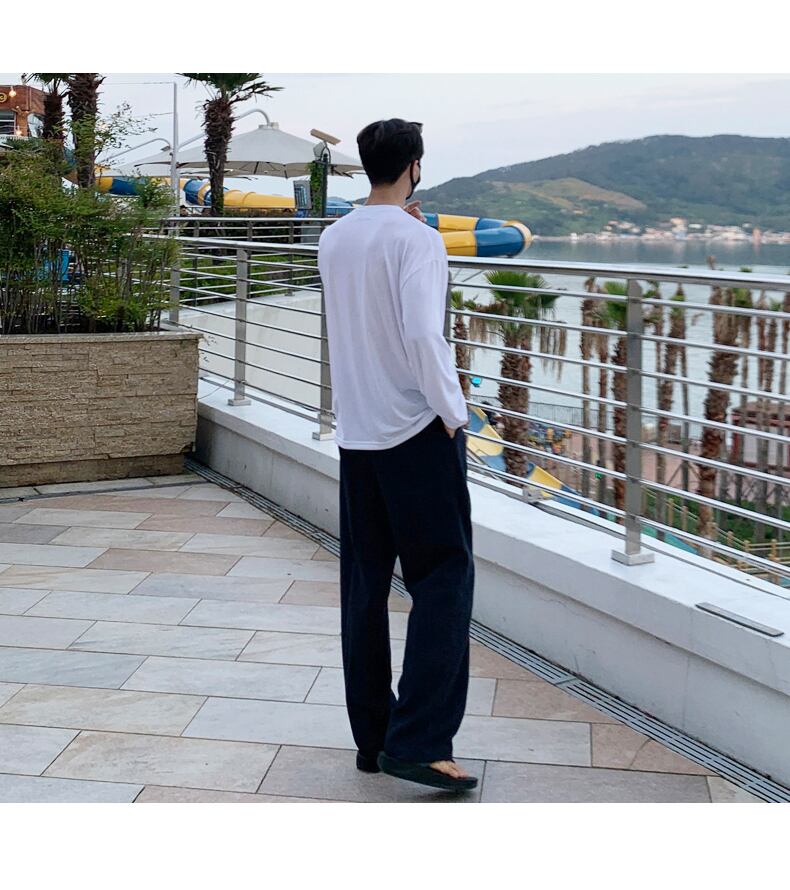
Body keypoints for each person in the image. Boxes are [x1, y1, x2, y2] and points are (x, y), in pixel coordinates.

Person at [317, 119, 477, 792]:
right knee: (443, 581)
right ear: (414, 166)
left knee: (364, 586)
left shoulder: (334, 236)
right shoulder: (419, 240)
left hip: (358, 434)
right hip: (415, 431)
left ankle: (374, 738)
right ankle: (420, 743)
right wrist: (454, 413)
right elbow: (421, 334)